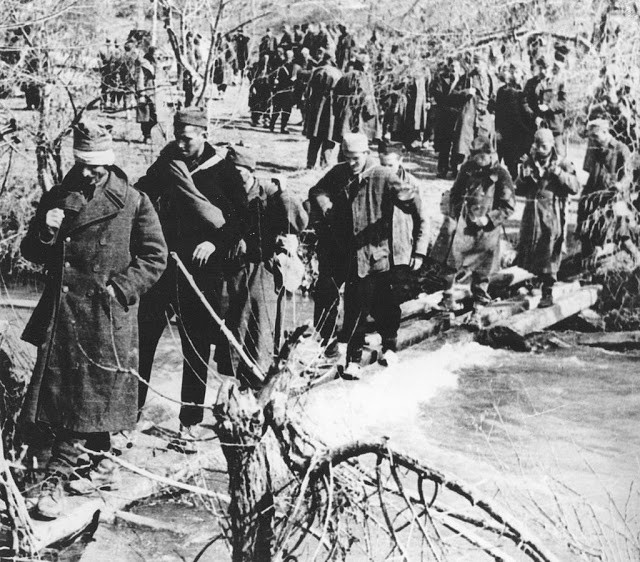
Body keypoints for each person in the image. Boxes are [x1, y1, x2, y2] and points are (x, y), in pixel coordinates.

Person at [20, 121, 167, 520]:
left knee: (85, 398)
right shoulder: (59, 195)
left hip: (104, 317)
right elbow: (33, 254)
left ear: (109, 162)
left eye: (96, 166)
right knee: (66, 396)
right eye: (83, 164)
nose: (89, 173)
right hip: (62, 314)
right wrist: (45, 231)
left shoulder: (134, 201)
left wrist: (119, 290)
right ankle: (101, 464)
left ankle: (57, 479)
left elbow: (155, 257)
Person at [135, 108, 247, 447]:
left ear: (203, 133)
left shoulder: (224, 171)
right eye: (178, 136)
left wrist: (214, 242)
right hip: (163, 264)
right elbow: (141, 193)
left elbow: (240, 219)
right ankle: (132, 413)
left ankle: (189, 423)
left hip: (201, 272)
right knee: (144, 338)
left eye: (188, 137)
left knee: (195, 345)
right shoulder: (168, 161)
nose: (181, 143)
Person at [308, 133, 426, 378]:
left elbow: (412, 205)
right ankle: (340, 352)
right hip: (346, 252)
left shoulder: (382, 174)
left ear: (366, 154)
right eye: (348, 158)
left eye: (356, 158)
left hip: (375, 254)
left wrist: (418, 247)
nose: (352, 163)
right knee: (348, 303)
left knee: (378, 304)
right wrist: (327, 207)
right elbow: (317, 189)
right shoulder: (340, 172)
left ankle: (383, 348)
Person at [214, 147, 308, 385]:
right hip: (232, 270)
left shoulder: (269, 194)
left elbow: (297, 222)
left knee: (260, 328)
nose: (235, 176)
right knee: (234, 325)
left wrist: (285, 193)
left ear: (250, 171)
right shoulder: (223, 192)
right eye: (231, 171)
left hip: (261, 271)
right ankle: (235, 388)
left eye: (240, 171)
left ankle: (258, 385)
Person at [430, 136, 515, 320]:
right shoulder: (468, 168)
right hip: (465, 225)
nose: (478, 160)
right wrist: (455, 214)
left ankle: (479, 306)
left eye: (482, 156)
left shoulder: (501, 174)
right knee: (452, 263)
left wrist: (489, 219)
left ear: (490, 154)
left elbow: (508, 207)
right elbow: (455, 192)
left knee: (482, 270)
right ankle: (448, 299)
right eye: (475, 156)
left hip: (487, 230)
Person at [515, 128, 579, 307]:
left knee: (550, 250)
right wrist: (523, 177)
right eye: (536, 144)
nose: (540, 149)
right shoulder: (528, 162)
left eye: (544, 145)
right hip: (532, 215)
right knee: (531, 249)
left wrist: (559, 173)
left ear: (551, 144)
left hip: (552, 215)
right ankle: (533, 282)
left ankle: (547, 292)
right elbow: (518, 189)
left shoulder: (563, 163)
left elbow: (575, 187)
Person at [577, 118, 639, 262]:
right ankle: (588, 271)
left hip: (615, 198)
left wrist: (619, 185)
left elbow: (628, 175)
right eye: (591, 136)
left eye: (596, 136)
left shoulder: (621, 149)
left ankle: (636, 262)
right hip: (595, 197)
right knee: (587, 234)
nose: (593, 140)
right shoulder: (593, 148)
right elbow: (590, 172)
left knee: (622, 236)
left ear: (605, 132)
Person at [453, 53, 498, 167]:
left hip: (483, 116)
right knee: (465, 144)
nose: (476, 66)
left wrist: (492, 113)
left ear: (485, 64)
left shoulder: (490, 79)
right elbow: (453, 94)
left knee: (483, 143)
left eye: (479, 63)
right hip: (469, 114)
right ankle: (463, 170)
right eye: (475, 63)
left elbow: (494, 98)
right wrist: (466, 91)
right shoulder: (468, 77)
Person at [523, 55, 567, 156]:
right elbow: (525, 103)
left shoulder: (559, 83)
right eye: (541, 68)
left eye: (547, 68)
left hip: (554, 128)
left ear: (553, 68)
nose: (543, 71)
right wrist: (534, 117)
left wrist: (550, 107)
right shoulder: (531, 83)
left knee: (559, 157)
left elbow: (564, 103)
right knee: (534, 157)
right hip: (536, 128)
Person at [303, 54, 342, 168]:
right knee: (329, 136)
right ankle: (324, 164)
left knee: (315, 136)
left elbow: (307, 92)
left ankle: (310, 164)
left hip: (316, 107)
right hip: (332, 109)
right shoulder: (338, 73)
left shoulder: (316, 71)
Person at [495, 62, 533, 179]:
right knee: (505, 161)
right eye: (512, 72)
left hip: (521, 132)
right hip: (506, 132)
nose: (514, 75)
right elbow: (498, 112)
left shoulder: (526, 92)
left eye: (517, 72)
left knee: (519, 161)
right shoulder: (503, 91)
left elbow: (528, 114)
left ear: (522, 74)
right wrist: (497, 130)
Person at [430, 58, 465, 178]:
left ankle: (455, 169)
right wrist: (455, 97)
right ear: (449, 68)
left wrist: (453, 98)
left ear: (460, 69)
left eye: (456, 67)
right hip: (444, 115)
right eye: (452, 66)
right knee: (444, 144)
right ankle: (442, 169)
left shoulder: (464, 81)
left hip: (458, 116)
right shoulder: (441, 79)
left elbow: (464, 98)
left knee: (457, 144)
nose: (454, 69)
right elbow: (438, 95)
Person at [270, 49, 296, 134]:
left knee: (277, 109)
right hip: (287, 91)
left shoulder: (279, 64)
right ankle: (282, 127)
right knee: (286, 110)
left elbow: (273, 76)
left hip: (279, 90)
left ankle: (272, 125)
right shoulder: (292, 66)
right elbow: (293, 79)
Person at [136, 47, 157, 143]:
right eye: (156, 54)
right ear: (151, 54)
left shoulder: (156, 64)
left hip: (155, 92)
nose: (157, 56)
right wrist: (141, 94)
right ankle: (147, 136)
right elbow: (140, 79)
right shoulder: (144, 64)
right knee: (145, 116)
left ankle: (147, 134)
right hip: (146, 92)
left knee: (155, 116)